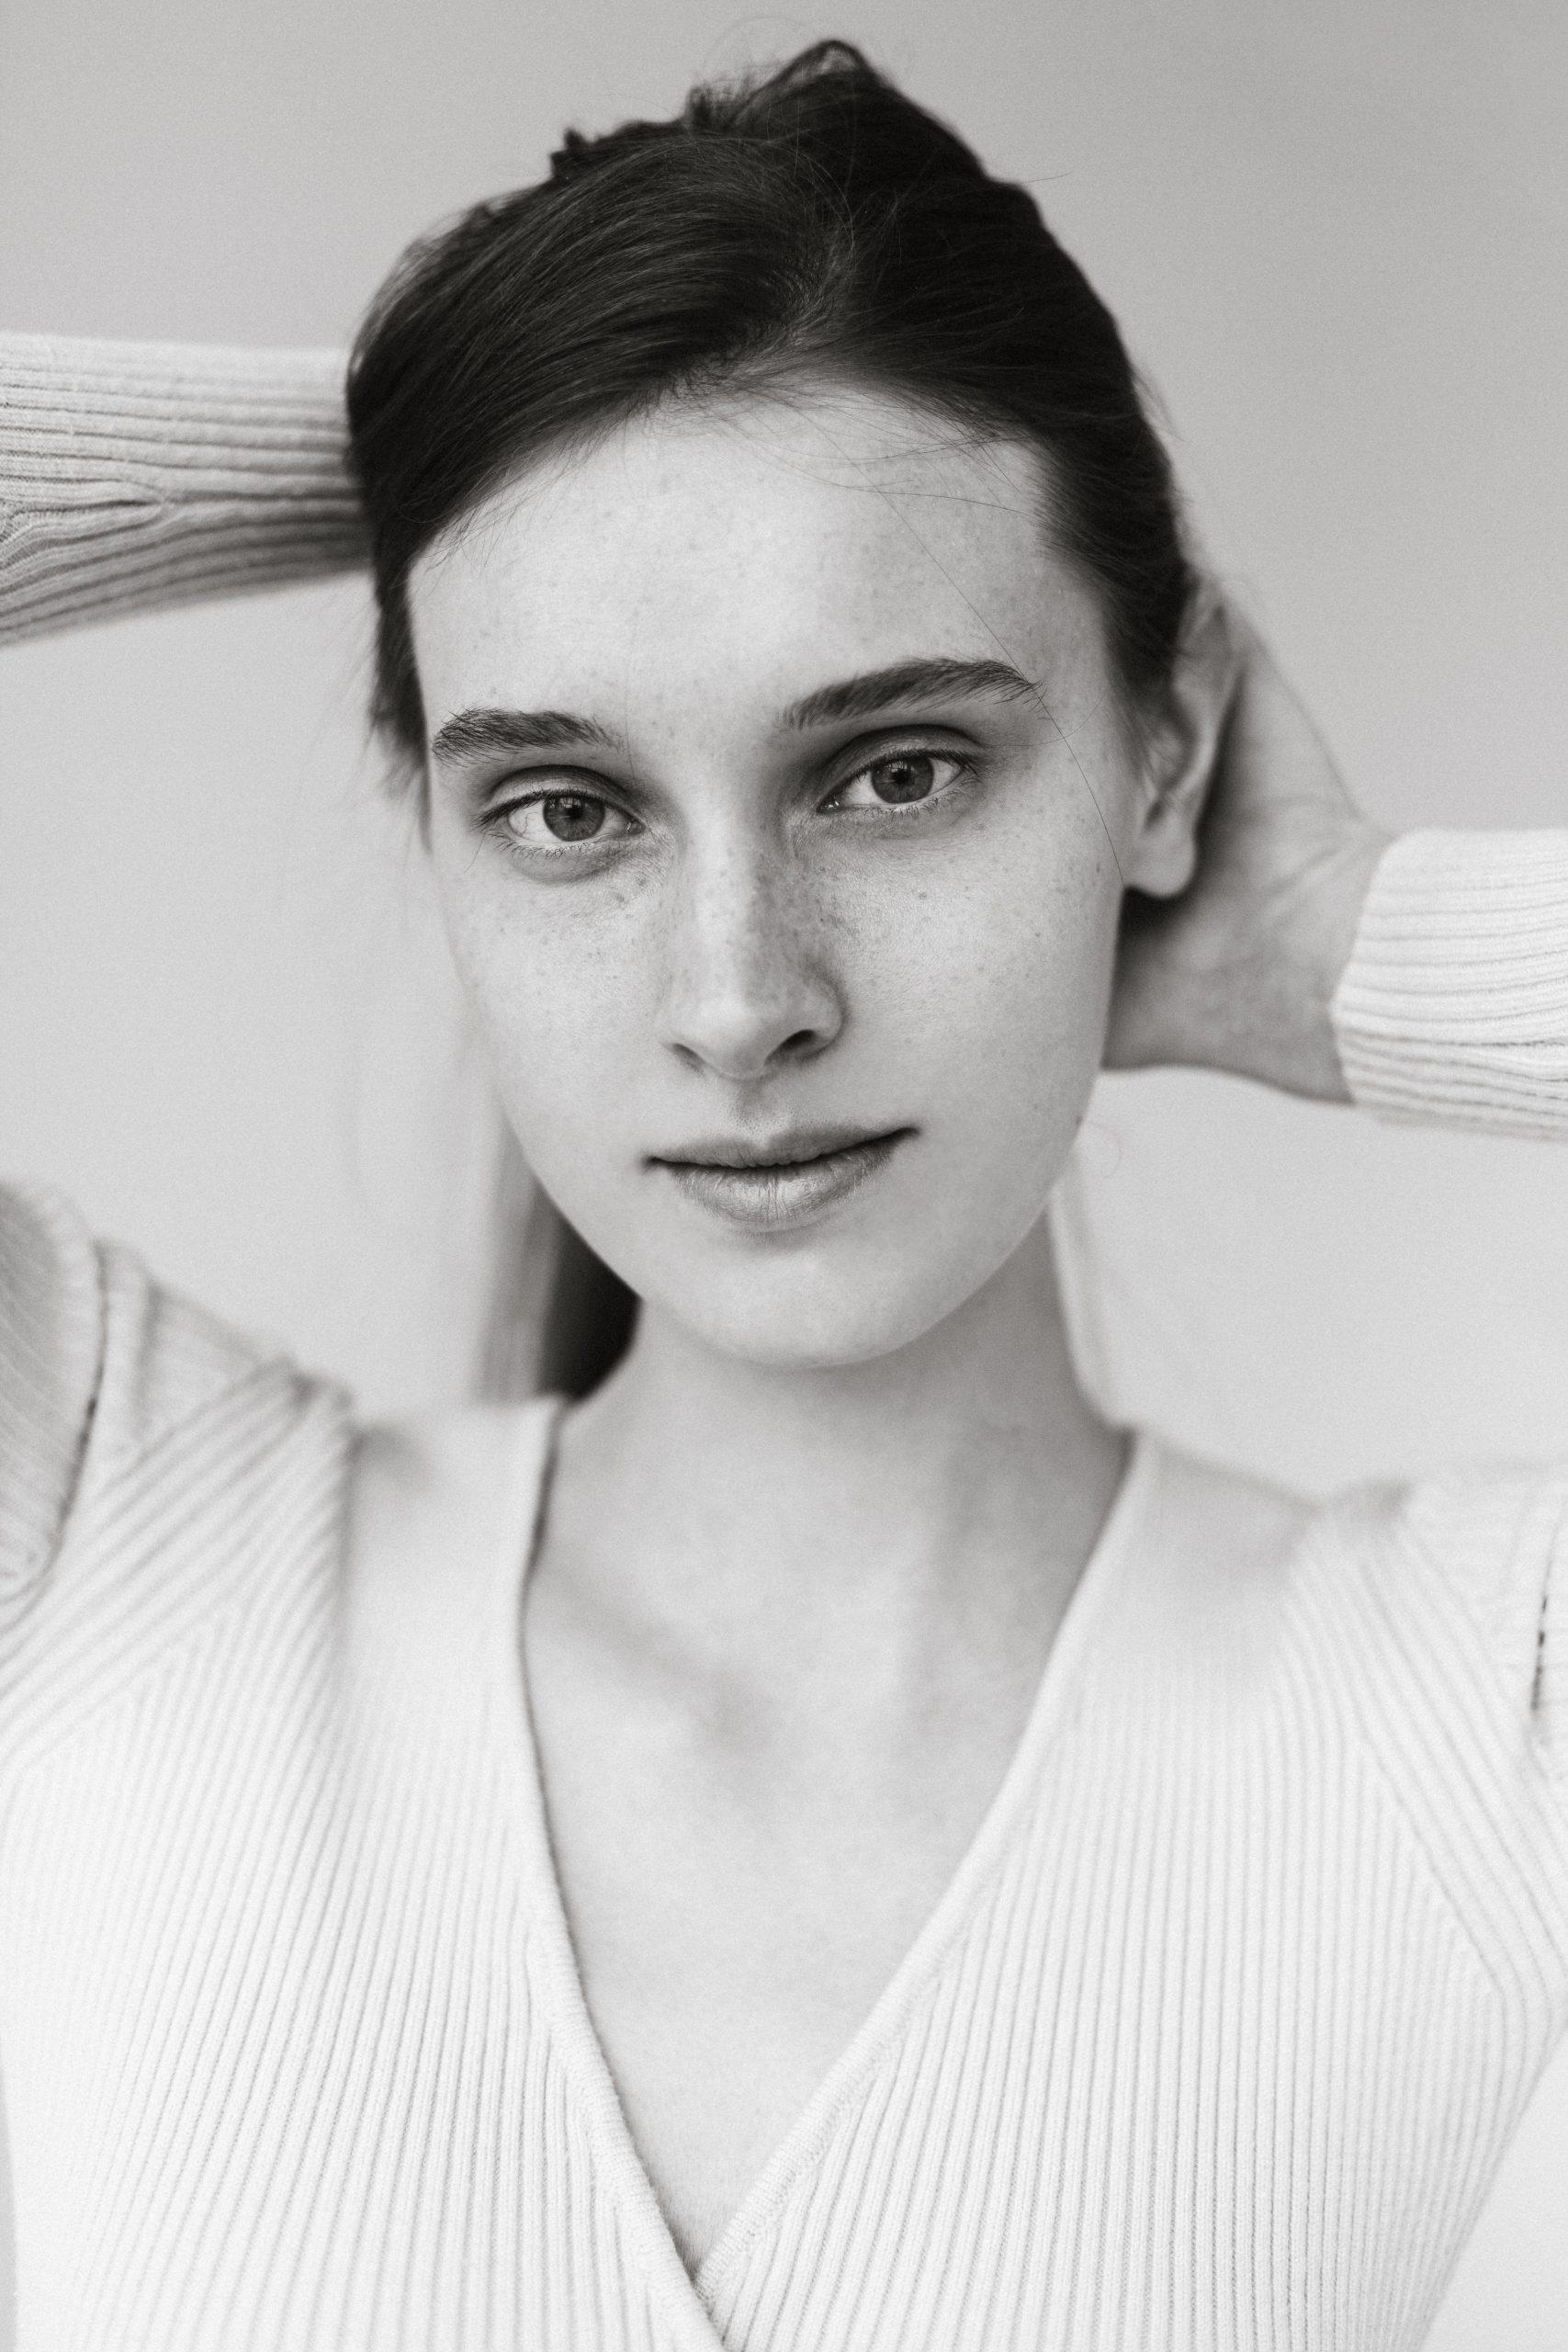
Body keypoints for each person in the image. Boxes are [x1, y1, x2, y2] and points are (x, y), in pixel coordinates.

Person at [0, 40, 1563, 2352]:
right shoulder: (96, 1529)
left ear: (1162, 746)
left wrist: (1343, 955)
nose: (738, 999)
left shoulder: (1475, 1698)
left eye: (894, 770)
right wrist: (437, 437)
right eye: (566, 805)